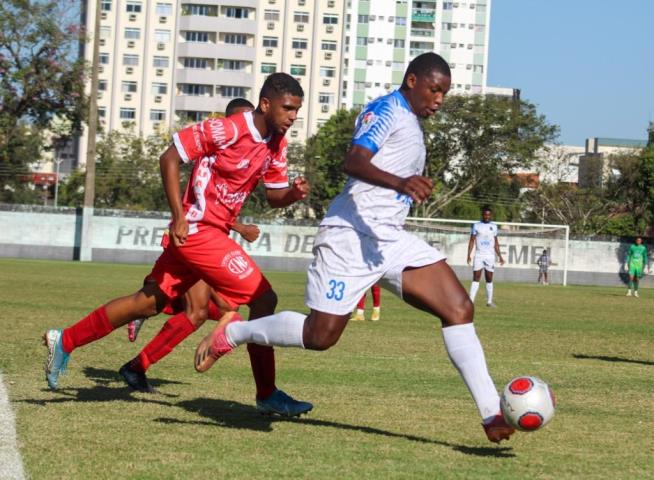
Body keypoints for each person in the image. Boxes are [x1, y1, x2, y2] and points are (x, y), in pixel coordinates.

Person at [194, 53, 515, 443]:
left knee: (459, 308)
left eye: (444, 93)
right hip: (350, 236)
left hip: (389, 238)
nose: (439, 100)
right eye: (434, 90)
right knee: (320, 336)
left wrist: (403, 187)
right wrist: (401, 183)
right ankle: (236, 332)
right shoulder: (387, 109)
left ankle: (491, 414)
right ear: (412, 80)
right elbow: (354, 160)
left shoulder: (411, 121)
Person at [44, 73, 313, 416]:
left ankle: (64, 340)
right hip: (199, 231)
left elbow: (274, 196)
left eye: (296, 111)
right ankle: (267, 392)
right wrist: (179, 216)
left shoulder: (277, 143)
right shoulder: (227, 129)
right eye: (288, 108)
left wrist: (293, 194)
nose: (292, 117)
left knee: (147, 304)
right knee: (264, 298)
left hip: (207, 234)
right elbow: (169, 158)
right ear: (266, 104)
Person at [467, 207, 504, 307]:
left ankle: (489, 301)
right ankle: (470, 301)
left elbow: (496, 242)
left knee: (489, 278)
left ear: (490, 215)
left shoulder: (494, 227)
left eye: (488, 215)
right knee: (476, 278)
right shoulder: (476, 225)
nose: (487, 216)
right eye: (485, 214)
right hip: (479, 255)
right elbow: (472, 240)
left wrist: (500, 256)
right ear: (482, 215)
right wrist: (469, 254)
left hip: (490, 256)